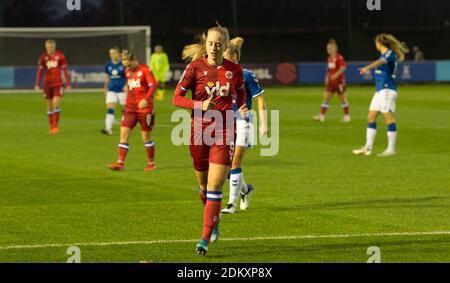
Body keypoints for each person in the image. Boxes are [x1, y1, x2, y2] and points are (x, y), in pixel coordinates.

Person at [172, 25, 247, 256]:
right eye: (211, 43)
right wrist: (200, 105)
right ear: (206, 44)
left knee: (215, 188)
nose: (214, 48)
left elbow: (241, 92)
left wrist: (241, 107)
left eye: (219, 44)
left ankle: (204, 239)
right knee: (204, 187)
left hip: (224, 132)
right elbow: (176, 98)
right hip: (198, 132)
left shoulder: (235, 70)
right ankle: (214, 219)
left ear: (225, 46)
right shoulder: (195, 67)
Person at [221, 37, 269, 214]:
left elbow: (260, 98)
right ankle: (246, 190)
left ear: (233, 55)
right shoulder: (220, 74)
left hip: (243, 121)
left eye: (224, 55)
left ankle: (231, 203)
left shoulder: (246, 74)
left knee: (235, 163)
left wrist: (264, 124)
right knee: (224, 166)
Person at [353, 33, 409, 157]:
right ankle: (367, 148)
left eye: (376, 42)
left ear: (379, 43)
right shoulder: (384, 55)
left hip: (387, 90)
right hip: (379, 91)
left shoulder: (388, 54)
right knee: (371, 117)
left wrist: (367, 68)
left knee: (388, 117)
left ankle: (391, 149)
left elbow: (381, 61)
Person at [107, 50, 157, 171]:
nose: (127, 67)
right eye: (125, 65)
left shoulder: (145, 70)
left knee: (146, 136)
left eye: (129, 64)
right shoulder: (127, 71)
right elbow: (131, 85)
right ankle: (120, 163)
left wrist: (145, 99)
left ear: (134, 60)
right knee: (123, 134)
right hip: (130, 108)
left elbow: (153, 85)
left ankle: (151, 163)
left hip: (144, 109)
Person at [35, 39, 71, 135]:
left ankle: (55, 126)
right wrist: (37, 84)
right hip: (47, 84)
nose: (49, 48)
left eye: (51, 47)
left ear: (54, 47)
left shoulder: (60, 56)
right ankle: (51, 126)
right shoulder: (43, 57)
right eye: (47, 47)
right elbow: (40, 71)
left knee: (56, 104)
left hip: (58, 83)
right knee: (49, 106)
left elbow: (65, 70)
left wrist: (68, 83)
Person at [313, 39, 350, 123]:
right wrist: (327, 77)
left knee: (343, 99)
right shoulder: (329, 58)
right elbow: (329, 69)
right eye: (327, 48)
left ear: (335, 48)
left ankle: (347, 116)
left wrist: (336, 75)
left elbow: (343, 67)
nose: (328, 50)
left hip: (339, 82)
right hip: (331, 82)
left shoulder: (339, 57)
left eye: (330, 48)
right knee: (326, 98)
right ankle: (321, 116)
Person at [101, 47, 127, 136]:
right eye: (111, 53)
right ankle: (108, 129)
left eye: (114, 53)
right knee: (110, 109)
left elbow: (129, 76)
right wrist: (105, 88)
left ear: (118, 54)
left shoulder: (123, 64)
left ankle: (126, 127)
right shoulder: (108, 65)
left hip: (122, 91)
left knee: (125, 110)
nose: (112, 55)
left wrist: (127, 85)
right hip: (111, 90)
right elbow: (107, 77)